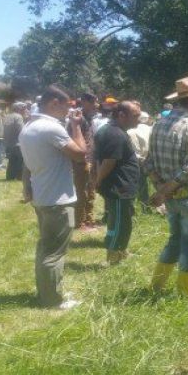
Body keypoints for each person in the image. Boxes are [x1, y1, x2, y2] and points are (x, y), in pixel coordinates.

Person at [146, 76, 188, 299]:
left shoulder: (159, 122)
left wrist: (160, 188)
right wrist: (164, 190)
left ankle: (156, 287)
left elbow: (148, 162)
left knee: (175, 240)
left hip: (172, 199)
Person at [19, 85, 87, 309]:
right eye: (66, 106)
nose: (69, 111)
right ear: (53, 103)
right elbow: (80, 154)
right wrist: (76, 126)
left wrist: (26, 188)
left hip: (43, 195)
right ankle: (52, 301)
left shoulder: (29, 127)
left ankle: (46, 293)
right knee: (55, 252)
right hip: (58, 198)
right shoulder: (51, 128)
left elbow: (27, 166)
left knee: (46, 249)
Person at [94, 101, 143, 266]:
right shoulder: (115, 134)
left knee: (117, 221)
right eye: (135, 115)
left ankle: (119, 251)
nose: (139, 119)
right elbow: (108, 162)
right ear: (122, 115)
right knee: (121, 223)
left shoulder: (111, 130)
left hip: (119, 186)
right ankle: (114, 258)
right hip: (119, 186)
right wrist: (97, 180)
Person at [68, 93, 99, 229]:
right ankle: (79, 221)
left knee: (90, 190)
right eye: (94, 102)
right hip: (81, 161)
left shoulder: (89, 118)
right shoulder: (77, 119)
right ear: (85, 102)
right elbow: (75, 140)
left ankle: (88, 219)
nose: (97, 105)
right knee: (81, 191)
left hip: (91, 159)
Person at [127, 111, 153, 213]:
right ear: (147, 119)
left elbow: (135, 150)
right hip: (151, 161)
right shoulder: (152, 129)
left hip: (137, 161)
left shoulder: (130, 131)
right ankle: (146, 208)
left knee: (135, 186)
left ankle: (132, 209)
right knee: (147, 186)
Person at [3, 102, 27, 180]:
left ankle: (10, 177)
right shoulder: (18, 117)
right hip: (18, 143)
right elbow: (21, 130)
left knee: (12, 161)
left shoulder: (8, 116)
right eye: (24, 109)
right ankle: (19, 177)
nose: (25, 110)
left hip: (9, 142)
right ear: (19, 109)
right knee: (20, 161)